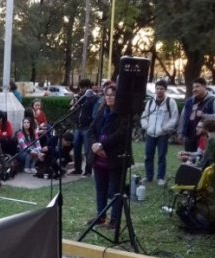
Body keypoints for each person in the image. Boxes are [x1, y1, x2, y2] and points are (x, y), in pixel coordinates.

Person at [88, 84, 131, 229]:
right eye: (107, 95)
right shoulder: (102, 112)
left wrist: (102, 145)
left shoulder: (124, 115)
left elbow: (121, 134)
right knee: (101, 189)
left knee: (115, 192)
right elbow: (92, 130)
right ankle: (101, 217)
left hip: (115, 158)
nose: (109, 97)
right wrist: (95, 145)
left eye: (112, 95)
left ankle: (114, 220)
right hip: (99, 159)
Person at [140, 79, 179, 185]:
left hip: (162, 134)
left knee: (161, 156)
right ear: (155, 89)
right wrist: (146, 127)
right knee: (148, 155)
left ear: (165, 90)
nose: (159, 90)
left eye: (162, 88)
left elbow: (174, 118)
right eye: (157, 88)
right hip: (150, 133)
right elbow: (144, 116)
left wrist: (164, 129)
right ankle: (149, 177)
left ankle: (160, 177)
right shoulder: (150, 102)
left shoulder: (170, 102)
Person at [177, 77, 215, 152]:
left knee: (203, 161)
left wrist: (204, 115)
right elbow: (183, 118)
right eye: (193, 87)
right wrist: (180, 133)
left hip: (206, 138)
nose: (194, 89)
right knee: (188, 160)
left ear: (205, 86)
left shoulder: (213, 100)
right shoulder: (189, 101)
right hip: (189, 136)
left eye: (197, 86)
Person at [70, 78, 98, 177]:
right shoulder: (79, 97)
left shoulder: (93, 98)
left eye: (84, 87)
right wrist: (75, 100)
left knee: (87, 150)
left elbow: (95, 113)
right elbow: (73, 109)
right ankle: (77, 169)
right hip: (78, 126)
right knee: (76, 149)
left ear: (88, 87)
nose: (82, 89)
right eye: (81, 87)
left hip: (87, 127)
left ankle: (88, 170)